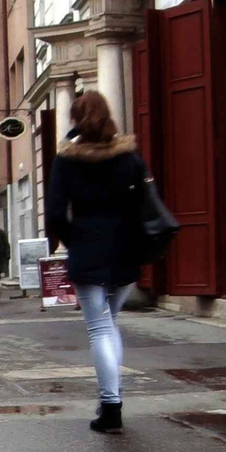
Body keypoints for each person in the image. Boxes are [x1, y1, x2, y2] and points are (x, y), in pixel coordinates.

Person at [46, 90, 145, 434]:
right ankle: (111, 399)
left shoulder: (68, 159)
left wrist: (74, 241)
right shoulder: (128, 156)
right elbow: (144, 201)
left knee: (100, 328)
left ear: (75, 120)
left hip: (89, 248)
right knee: (111, 323)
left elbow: (56, 212)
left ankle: (111, 405)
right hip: (126, 249)